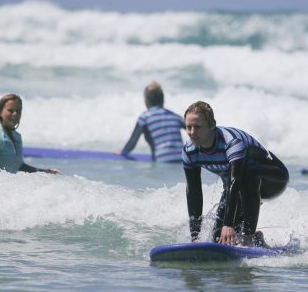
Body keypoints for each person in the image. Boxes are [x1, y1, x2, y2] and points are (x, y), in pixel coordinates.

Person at [182, 101, 289, 247]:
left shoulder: (231, 141)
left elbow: (236, 180)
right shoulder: (190, 151)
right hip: (238, 186)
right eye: (189, 127)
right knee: (219, 240)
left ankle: (249, 237)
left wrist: (228, 225)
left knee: (247, 172)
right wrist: (195, 236)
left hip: (273, 180)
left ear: (212, 125)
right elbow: (193, 191)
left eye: (198, 127)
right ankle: (258, 240)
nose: (192, 133)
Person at [0, 94, 59, 174]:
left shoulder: (16, 137)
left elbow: (19, 167)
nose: (15, 114)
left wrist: (45, 172)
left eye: (18, 111)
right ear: (0, 112)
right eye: (10, 111)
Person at [119, 82, 185, 163]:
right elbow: (195, 129)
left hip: (163, 159)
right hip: (182, 160)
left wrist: (123, 152)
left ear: (146, 101)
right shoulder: (175, 116)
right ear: (163, 99)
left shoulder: (145, 117)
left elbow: (132, 142)